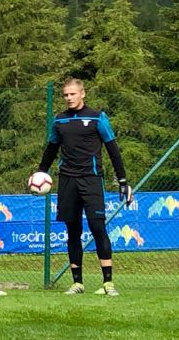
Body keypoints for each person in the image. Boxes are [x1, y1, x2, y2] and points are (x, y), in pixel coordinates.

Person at [36, 78, 133, 296]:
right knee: (73, 231)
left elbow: (113, 149)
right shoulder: (59, 121)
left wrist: (123, 181)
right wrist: (41, 171)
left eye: (72, 94)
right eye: (65, 95)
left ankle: (108, 283)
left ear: (82, 94)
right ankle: (77, 283)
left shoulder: (98, 117)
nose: (69, 98)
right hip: (67, 180)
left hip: (91, 179)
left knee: (98, 228)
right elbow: (51, 149)